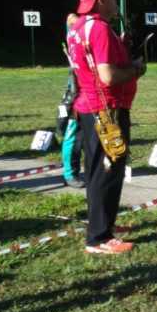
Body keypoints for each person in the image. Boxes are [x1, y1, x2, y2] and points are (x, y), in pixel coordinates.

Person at [67, 0, 146, 255]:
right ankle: (99, 237)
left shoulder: (78, 27)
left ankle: (102, 225)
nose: (116, 2)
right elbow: (108, 76)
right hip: (107, 109)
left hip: (91, 108)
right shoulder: (99, 28)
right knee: (108, 170)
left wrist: (120, 47)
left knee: (96, 170)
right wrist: (136, 69)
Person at [60, 12, 84, 188]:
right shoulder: (75, 32)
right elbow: (70, 18)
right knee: (73, 134)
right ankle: (70, 174)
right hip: (78, 91)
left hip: (92, 91)